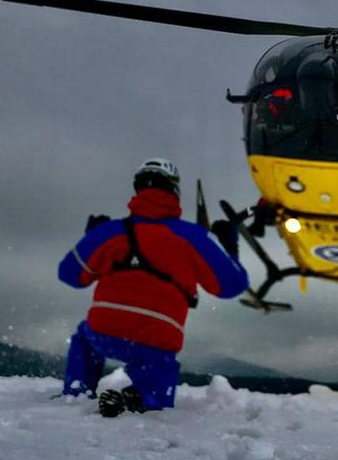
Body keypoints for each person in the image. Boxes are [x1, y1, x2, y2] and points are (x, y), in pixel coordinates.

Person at [57, 158, 249, 417]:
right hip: (158, 338)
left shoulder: (111, 232)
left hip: (104, 331)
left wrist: (90, 237)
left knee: (84, 339)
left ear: (137, 190)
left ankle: (78, 393)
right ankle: (142, 397)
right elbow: (231, 286)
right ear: (174, 191)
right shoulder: (192, 237)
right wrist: (230, 248)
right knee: (156, 380)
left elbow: (70, 275)